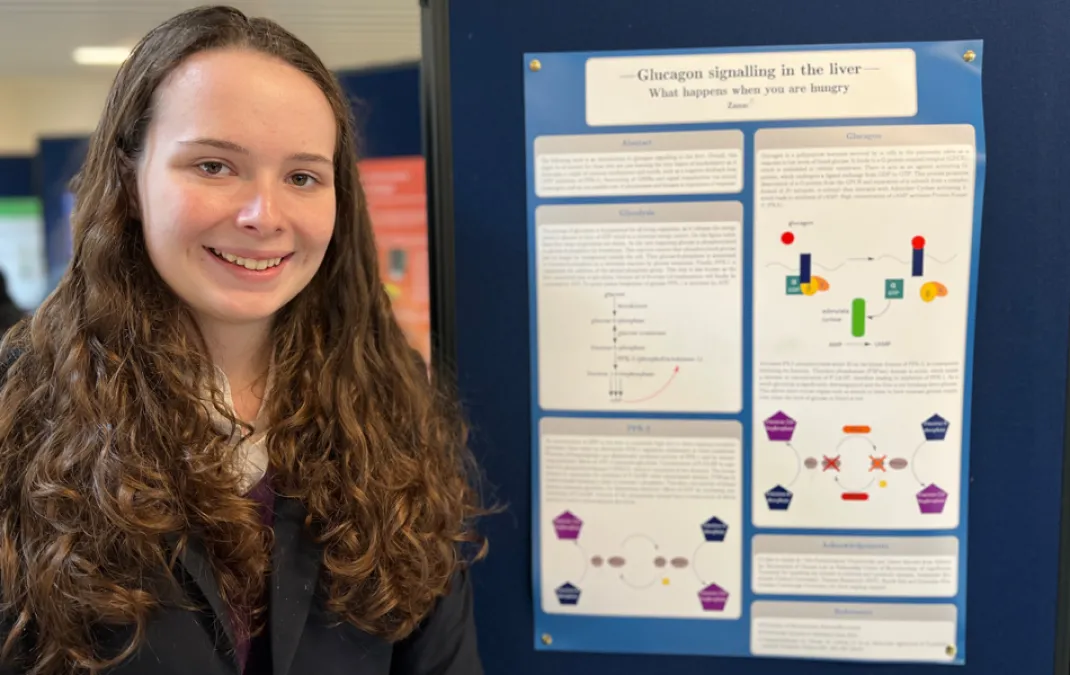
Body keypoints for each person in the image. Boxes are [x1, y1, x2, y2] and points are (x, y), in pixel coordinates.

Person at [0, 6, 489, 674]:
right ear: (129, 181)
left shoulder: (390, 403)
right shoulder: (20, 414)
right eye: (214, 166)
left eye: (302, 177)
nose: (264, 215)